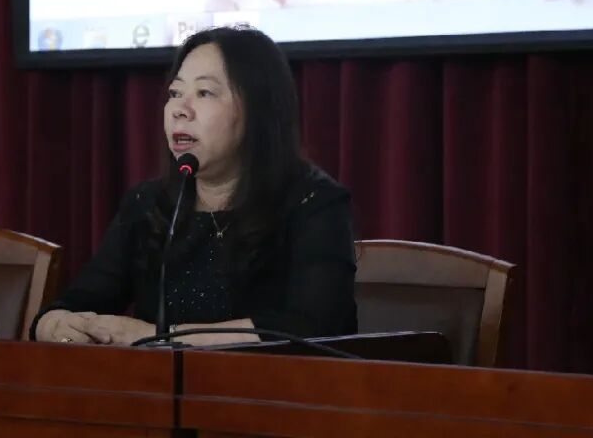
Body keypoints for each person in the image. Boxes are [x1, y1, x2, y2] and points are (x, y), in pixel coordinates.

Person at [33, 25, 357, 346]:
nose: (180, 110)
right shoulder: (149, 204)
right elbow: (82, 300)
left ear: (258, 108)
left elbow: (311, 326)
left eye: (204, 93)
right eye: (175, 93)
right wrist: (53, 323)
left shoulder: (314, 203)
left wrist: (162, 339)